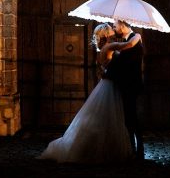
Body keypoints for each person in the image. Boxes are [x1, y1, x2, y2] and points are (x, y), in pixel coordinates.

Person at [38, 23, 134, 163]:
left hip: (109, 85)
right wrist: (135, 34)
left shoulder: (104, 48)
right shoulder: (109, 47)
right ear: (106, 35)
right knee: (107, 117)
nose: (114, 31)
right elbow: (129, 45)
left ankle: (106, 147)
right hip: (109, 88)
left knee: (105, 118)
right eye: (111, 30)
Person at [103, 19, 145, 160]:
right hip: (124, 85)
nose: (114, 29)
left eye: (115, 26)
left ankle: (138, 150)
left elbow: (127, 64)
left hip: (131, 85)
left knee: (132, 116)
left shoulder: (135, 39)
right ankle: (132, 148)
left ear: (122, 25)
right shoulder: (130, 40)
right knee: (128, 117)